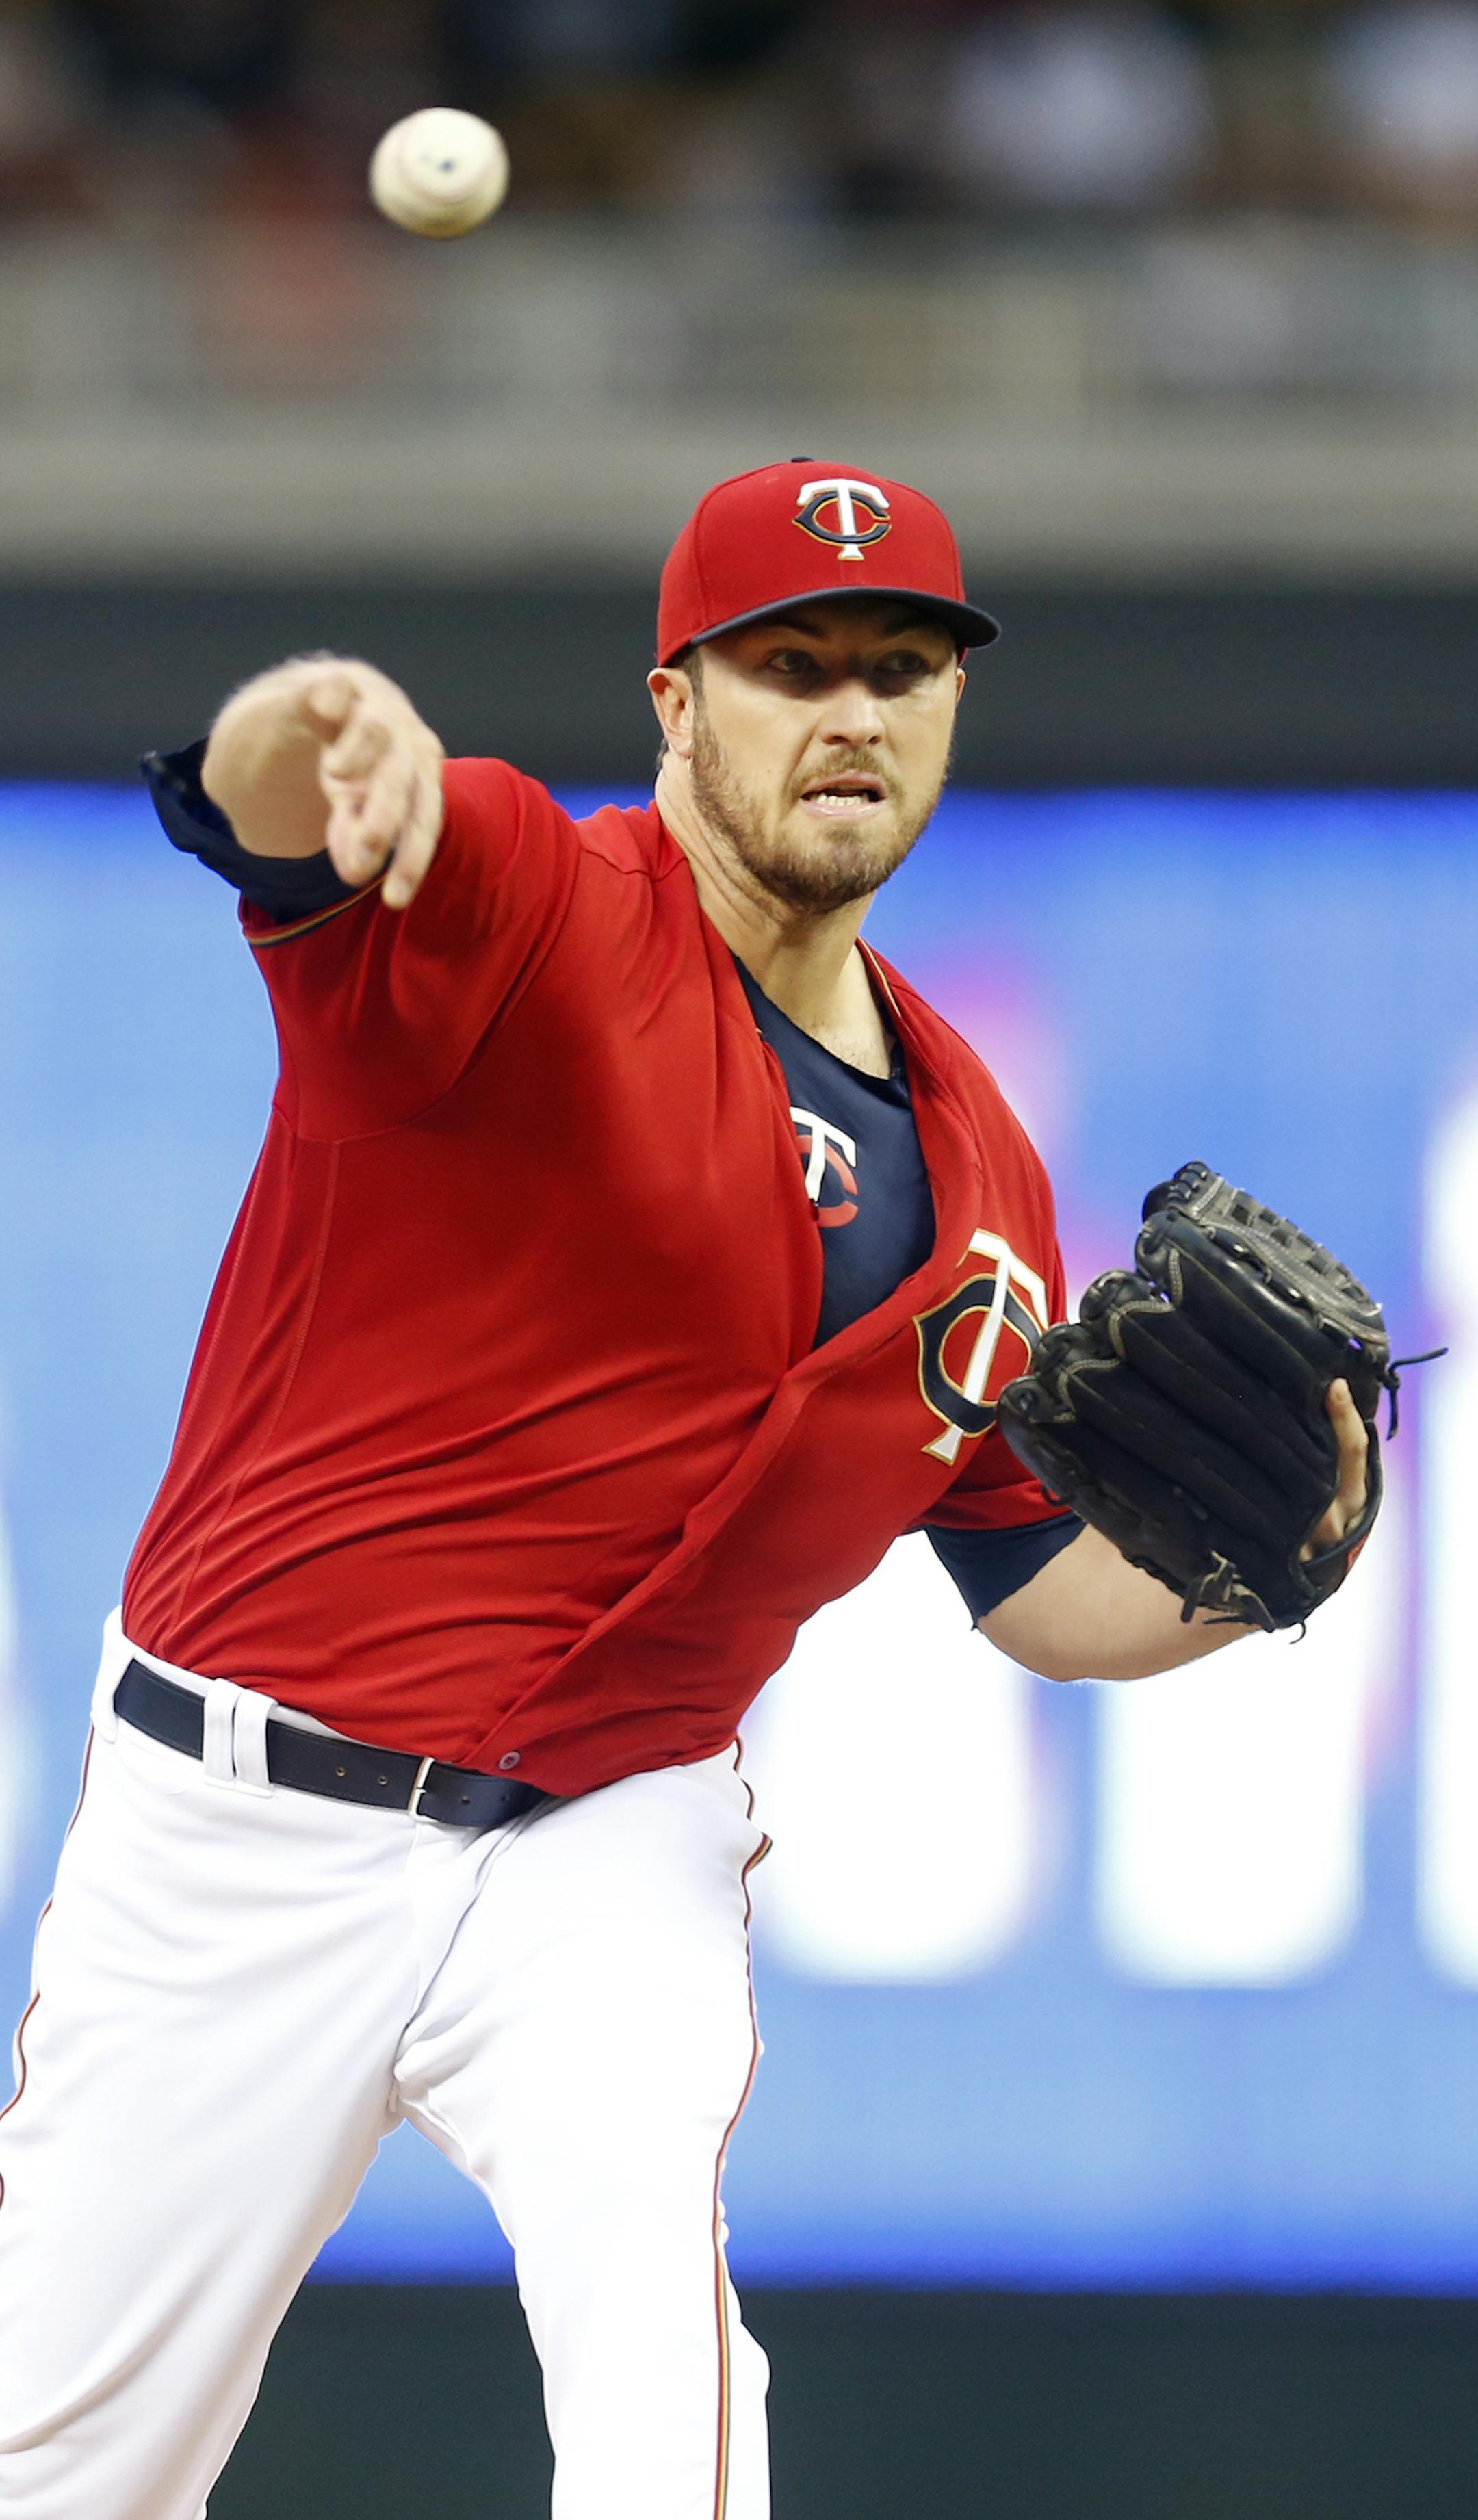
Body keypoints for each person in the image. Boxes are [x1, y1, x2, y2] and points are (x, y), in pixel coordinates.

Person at [0, 460, 1368, 2520]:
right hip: (244, 1822)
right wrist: (330, 724)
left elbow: (1030, 1582)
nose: (853, 712)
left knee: (674, 2411)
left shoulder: (982, 1170)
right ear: (675, 705)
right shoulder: (533, 914)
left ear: (950, 711)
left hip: (605, 1843)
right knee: (60, 2469)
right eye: (790, 664)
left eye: (900, 667)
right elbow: (292, 811)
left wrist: (1273, 1577)